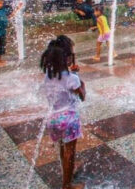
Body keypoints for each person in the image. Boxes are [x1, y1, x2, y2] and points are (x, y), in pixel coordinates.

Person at [40, 37, 86, 189]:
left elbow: (60, 81)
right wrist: (81, 81)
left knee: (62, 148)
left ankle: (67, 173)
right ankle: (67, 185)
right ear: (67, 59)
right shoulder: (72, 78)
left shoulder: (48, 75)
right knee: (70, 152)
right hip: (69, 119)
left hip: (53, 118)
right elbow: (82, 96)